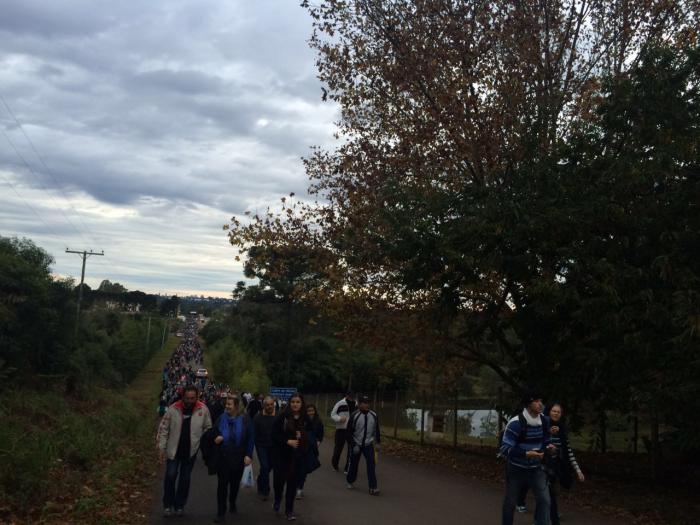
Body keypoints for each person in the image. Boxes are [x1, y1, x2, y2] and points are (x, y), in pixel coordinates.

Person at [500, 390, 555, 525]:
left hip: (536, 468)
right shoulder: (515, 423)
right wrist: (526, 454)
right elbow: (505, 449)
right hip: (516, 469)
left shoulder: (544, 420)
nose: (540, 404)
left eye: (541, 401)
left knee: (545, 501)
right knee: (510, 503)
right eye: (536, 401)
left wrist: (550, 448)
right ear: (528, 404)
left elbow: (546, 440)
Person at [157, 385, 212, 518]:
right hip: (173, 450)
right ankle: (167, 505)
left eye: (192, 398)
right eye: (187, 398)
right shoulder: (173, 409)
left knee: (185, 479)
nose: (189, 401)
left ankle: (180, 505)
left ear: (197, 397)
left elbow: (208, 427)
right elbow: (163, 429)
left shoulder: (202, 410)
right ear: (183, 397)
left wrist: (203, 444)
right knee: (170, 476)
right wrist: (161, 448)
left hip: (190, 452)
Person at [213, 394, 254, 523]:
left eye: (229, 404)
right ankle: (221, 512)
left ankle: (232, 502)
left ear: (236, 406)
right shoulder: (221, 418)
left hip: (238, 456)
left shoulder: (245, 419)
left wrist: (249, 454)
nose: (227, 406)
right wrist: (216, 438)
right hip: (223, 456)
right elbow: (213, 432)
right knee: (222, 484)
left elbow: (250, 438)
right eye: (226, 404)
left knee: (234, 483)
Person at [544, 403, 585, 525]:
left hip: (556, 466)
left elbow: (569, 452)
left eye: (558, 412)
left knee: (549, 493)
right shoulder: (541, 427)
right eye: (553, 411)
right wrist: (548, 433)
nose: (556, 413)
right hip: (542, 466)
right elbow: (536, 443)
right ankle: (551, 518)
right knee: (547, 493)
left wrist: (578, 470)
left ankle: (545, 516)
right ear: (549, 412)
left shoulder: (562, 430)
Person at [272, 393, 310, 521]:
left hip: (297, 457)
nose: (295, 404)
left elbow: (312, 432)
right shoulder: (282, 416)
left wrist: (303, 435)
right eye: (293, 402)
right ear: (289, 403)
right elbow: (274, 434)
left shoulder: (305, 418)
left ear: (301, 403)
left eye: (298, 402)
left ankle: (289, 510)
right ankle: (277, 499)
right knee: (278, 483)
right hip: (281, 455)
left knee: (292, 485)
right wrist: (287, 441)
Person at [345, 395, 381, 495]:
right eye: (364, 403)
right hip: (356, 443)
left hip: (368, 444)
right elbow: (348, 433)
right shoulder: (354, 416)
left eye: (368, 402)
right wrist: (353, 445)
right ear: (359, 404)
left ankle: (373, 487)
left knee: (371, 464)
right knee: (354, 464)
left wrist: (378, 442)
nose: (367, 405)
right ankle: (350, 480)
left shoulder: (373, 415)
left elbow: (376, 430)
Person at [297, 403, 324, 499]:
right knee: (300, 469)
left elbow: (320, 436)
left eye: (312, 411)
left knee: (304, 470)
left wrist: (318, 442)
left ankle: (299, 488)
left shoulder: (318, 422)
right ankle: (298, 488)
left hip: (311, 449)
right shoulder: (301, 421)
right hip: (300, 448)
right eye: (308, 411)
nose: (310, 413)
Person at [254, 396, 277, 500]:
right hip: (261, 446)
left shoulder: (278, 416)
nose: (269, 406)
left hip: (273, 447)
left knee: (269, 467)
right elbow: (254, 433)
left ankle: (260, 479)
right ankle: (265, 490)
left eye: (271, 404)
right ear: (264, 405)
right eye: (267, 405)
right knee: (265, 466)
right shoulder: (258, 417)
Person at [330, 392, 356, 473]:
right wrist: (339, 418)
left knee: (351, 449)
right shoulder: (340, 403)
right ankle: (335, 465)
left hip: (352, 430)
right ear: (347, 396)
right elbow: (333, 414)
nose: (351, 398)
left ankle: (347, 468)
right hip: (341, 429)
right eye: (349, 396)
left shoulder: (356, 404)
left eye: (353, 396)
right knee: (338, 448)